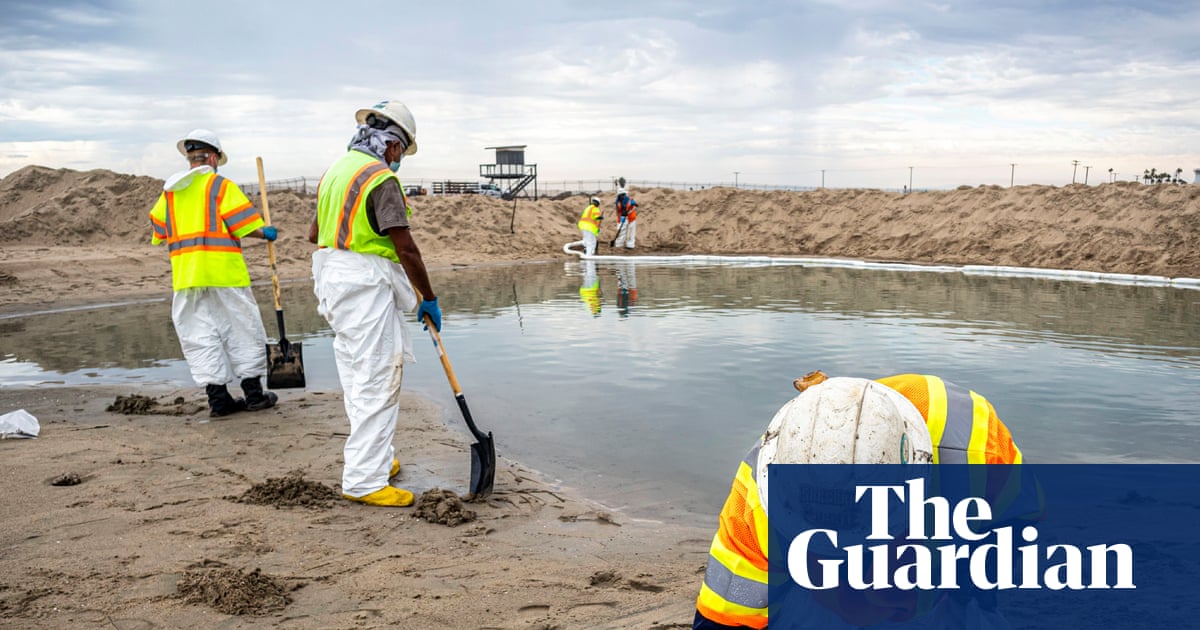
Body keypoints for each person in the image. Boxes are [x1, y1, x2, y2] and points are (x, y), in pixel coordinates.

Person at [694, 371, 1028, 630]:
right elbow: (725, 614)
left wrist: (958, 581)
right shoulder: (759, 502)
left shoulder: (977, 444)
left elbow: (1016, 523)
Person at [309, 99, 441, 508]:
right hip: (364, 286)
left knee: (356, 376)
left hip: (333, 279)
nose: (400, 159)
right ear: (392, 145)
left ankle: (377, 457)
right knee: (379, 379)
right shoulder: (379, 178)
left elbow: (315, 230)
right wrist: (428, 297)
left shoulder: (336, 170)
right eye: (401, 151)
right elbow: (406, 247)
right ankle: (365, 480)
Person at [149, 129, 279, 418]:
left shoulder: (169, 194)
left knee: (199, 337)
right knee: (243, 331)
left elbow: (159, 232)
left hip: (186, 279)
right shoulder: (220, 186)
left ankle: (218, 400)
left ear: (191, 158)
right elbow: (243, 225)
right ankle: (254, 395)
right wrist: (265, 233)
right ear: (212, 157)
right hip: (224, 275)